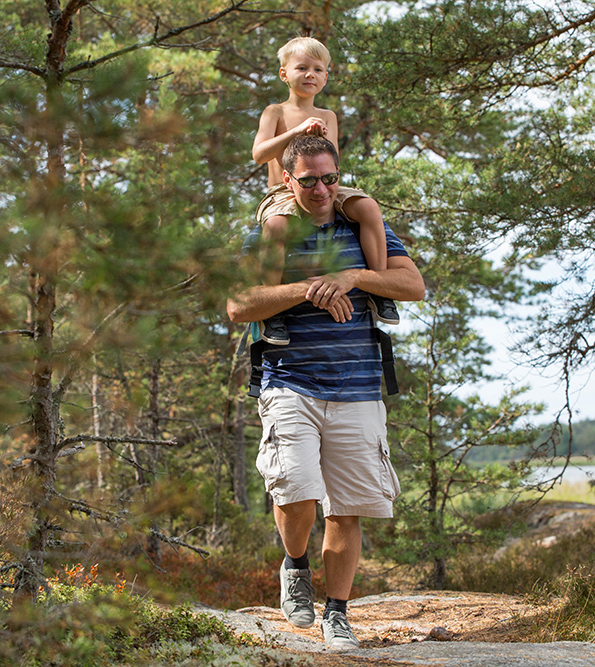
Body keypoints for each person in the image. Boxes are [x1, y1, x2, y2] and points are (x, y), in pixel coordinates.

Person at [226, 135, 425, 650]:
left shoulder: (362, 228)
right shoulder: (271, 233)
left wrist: (354, 275)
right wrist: (308, 287)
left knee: (347, 507)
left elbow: (413, 286)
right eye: (309, 180)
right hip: (289, 381)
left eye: (329, 178)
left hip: (359, 386)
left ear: (339, 177)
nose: (320, 189)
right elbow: (238, 304)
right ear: (288, 180)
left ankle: (336, 612)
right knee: (296, 493)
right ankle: (295, 565)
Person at [251, 36, 399, 345]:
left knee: (368, 207)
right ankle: (271, 308)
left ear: (326, 77)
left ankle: (379, 287)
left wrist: (320, 139)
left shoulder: (328, 115)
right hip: (283, 192)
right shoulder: (274, 112)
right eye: (302, 68)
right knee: (277, 224)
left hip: (323, 184)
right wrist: (296, 132)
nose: (310, 75)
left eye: (318, 70)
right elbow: (259, 153)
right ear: (284, 74)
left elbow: (331, 165)